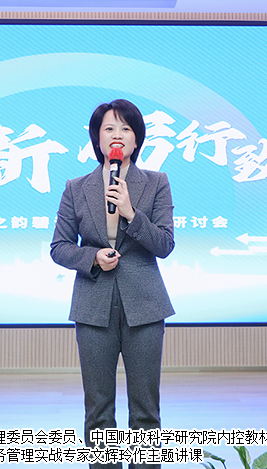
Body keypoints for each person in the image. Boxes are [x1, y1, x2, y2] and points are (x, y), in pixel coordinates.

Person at [50, 99, 176, 469]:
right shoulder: (77, 188)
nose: (117, 135)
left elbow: (165, 244)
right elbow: (59, 247)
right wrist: (92, 257)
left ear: (136, 140)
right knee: (99, 411)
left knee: (146, 412)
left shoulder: (156, 183)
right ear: (97, 139)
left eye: (125, 128)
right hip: (93, 307)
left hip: (145, 306)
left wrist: (131, 213)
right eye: (109, 128)